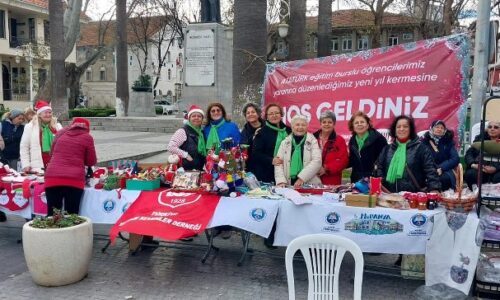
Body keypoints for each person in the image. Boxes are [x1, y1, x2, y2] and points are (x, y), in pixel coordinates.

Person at [374, 115, 440, 193]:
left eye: (405, 126)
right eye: (398, 127)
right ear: (394, 131)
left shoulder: (421, 149)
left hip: (413, 198)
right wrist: (382, 185)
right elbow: (379, 168)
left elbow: (430, 171)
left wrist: (434, 189)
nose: (401, 129)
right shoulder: (386, 149)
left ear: (410, 130)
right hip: (389, 197)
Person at [44, 117, 97, 215]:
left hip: (52, 177)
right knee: (71, 214)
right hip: (74, 179)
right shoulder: (87, 137)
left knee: (53, 214)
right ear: (87, 128)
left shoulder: (60, 133)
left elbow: (52, 154)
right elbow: (91, 161)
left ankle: (51, 229)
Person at [275, 115, 322, 188]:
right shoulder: (284, 142)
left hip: (308, 183)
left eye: (303, 125)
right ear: (292, 127)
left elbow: (317, 161)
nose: (300, 127)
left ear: (307, 127)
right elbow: (278, 163)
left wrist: (301, 178)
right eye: (297, 125)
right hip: (287, 183)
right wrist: (281, 181)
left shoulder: (313, 141)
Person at [252, 103, 291, 183]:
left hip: (287, 170)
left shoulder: (289, 130)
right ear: (266, 117)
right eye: (271, 114)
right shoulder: (261, 132)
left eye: (277, 113)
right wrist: (271, 160)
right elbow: (255, 154)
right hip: (267, 173)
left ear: (281, 114)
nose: (274, 115)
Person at [20, 100, 63, 173]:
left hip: (56, 164)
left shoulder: (57, 127)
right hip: (38, 166)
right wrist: (26, 164)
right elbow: (24, 147)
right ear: (39, 114)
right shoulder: (30, 127)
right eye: (45, 113)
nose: (48, 115)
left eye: (50, 112)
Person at [348, 111, 387, 183]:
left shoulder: (379, 139)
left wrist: (378, 178)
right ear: (353, 127)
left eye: (362, 122)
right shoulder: (352, 141)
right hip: (356, 181)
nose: (359, 124)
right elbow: (352, 161)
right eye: (356, 123)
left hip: (374, 180)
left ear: (368, 125)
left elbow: (384, 161)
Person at [421, 120, 459, 191]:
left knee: (444, 179)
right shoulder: (424, 141)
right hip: (427, 169)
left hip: (444, 169)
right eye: (437, 127)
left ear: (444, 131)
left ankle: (442, 198)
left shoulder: (448, 142)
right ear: (432, 129)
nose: (439, 129)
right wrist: (432, 169)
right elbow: (421, 158)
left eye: (442, 128)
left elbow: (455, 158)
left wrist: (441, 168)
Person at [313, 110, 348, 185]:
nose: (326, 124)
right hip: (312, 177)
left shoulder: (340, 140)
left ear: (334, 124)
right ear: (320, 124)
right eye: (324, 122)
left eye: (329, 122)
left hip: (331, 180)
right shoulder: (312, 138)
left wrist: (326, 169)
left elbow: (343, 161)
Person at [167, 105, 206, 171]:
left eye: (199, 116)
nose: (196, 118)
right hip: (185, 171)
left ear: (202, 119)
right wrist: (186, 155)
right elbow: (170, 147)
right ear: (189, 118)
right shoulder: (183, 131)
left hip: (198, 169)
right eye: (193, 116)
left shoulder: (201, 133)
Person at [464, 120, 500, 189]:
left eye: (496, 127)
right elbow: (469, 154)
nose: (492, 129)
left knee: (497, 178)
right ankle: (475, 194)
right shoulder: (480, 139)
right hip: (481, 169)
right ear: (487, 129)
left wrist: (495, 168)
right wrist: (473, 164)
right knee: (470, 174)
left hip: (497, 170)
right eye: (490, 127)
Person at [240, 103, 263, 174]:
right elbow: (243, 149)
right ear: (246, 116)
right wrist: (253, 138)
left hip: (268, 164)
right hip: (252, 166)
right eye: (248, 113)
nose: (250, 114)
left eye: (253, 112)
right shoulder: (244, 131)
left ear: (258, 114)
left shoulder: (267, 126)